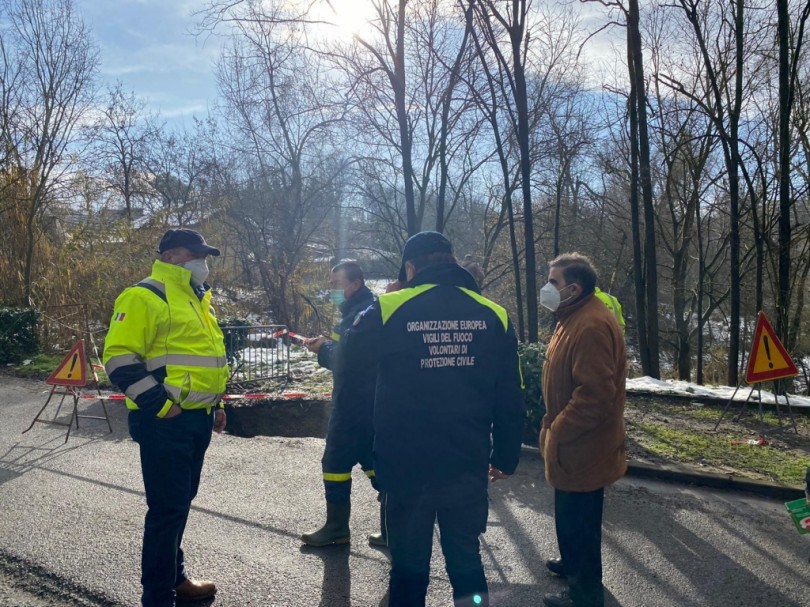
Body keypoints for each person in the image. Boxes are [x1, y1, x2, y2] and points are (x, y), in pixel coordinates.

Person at [338, 231, 526, 607]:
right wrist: (505, 455)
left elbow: (349, 359)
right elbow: (511, 394)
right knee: (466, 561)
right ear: (451, 261)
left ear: (410, 267)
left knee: (408, 567)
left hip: (406, 465)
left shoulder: (390, 308)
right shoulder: (494, 314)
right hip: (465, 463)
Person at [103, 228, 228, 607]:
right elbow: (119, 359)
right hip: (165, 422)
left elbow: (205, 359)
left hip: (197, 418)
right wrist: (161, 405)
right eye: (196, 254)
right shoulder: (145, 295)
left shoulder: (198, 298)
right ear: (172, 256)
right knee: (167, 509)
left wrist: (216, 404)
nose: (202, 263)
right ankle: (157, 597)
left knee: (179, 504)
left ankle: (176, 579)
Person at [539, 253, 627, 607]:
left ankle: (584, 594)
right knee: (570, 514)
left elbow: (594, 394)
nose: (547, 288)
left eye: (553, 282)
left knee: (580, 522)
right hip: (573, 447)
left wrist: (558, 430)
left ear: (573, 289)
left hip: (582, 447)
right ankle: (572, 564)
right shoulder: (573, 315)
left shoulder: (589, 325)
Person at [301, 261, 383, 546]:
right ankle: (391, 531)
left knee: (335, 462)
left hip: (353, 405)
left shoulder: (363, 314)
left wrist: (323, 348)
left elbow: (346, 360)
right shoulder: (358, 311)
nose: (332, 290)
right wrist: (326, 344)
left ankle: (337, 529)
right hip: (365, 402)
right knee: (375, 464)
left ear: (355, 284)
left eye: (337, 284)